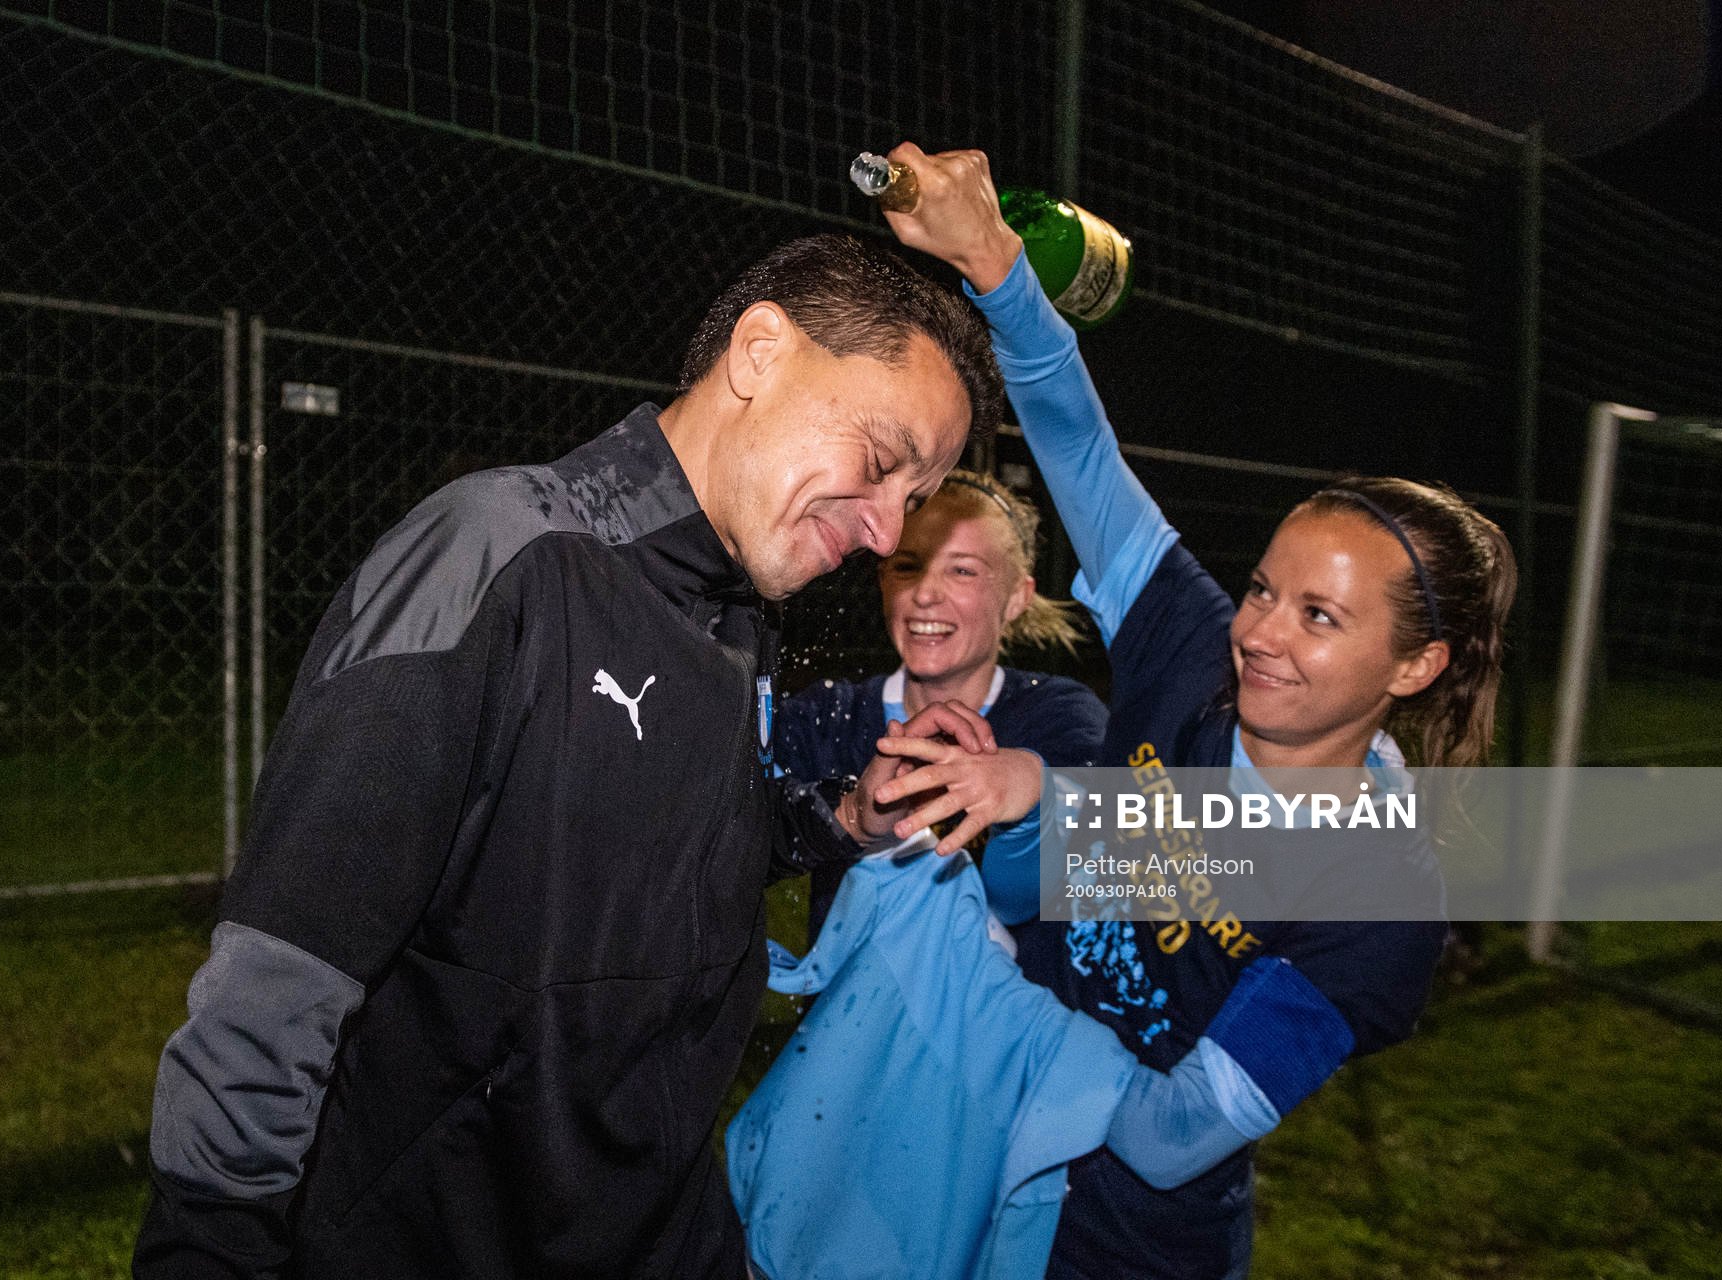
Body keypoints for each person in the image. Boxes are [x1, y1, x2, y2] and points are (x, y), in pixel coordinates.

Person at [132, 233, 1017, 1280]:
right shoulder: (499, 557)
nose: (883, 532)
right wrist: (209, 1247)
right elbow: (283, 973)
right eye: (881, 462)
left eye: (913, 500)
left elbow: (652, 854)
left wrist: (843, 818)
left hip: (661, 1231)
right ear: (761, 350)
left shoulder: (734, 619)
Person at [870, 144, 1517, 1279]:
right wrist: (997, 267)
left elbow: (1171, 1137)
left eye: (1320, 616)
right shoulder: (1190, 651)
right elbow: (1076, 439)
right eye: (1265, 587)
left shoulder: (1380, 902)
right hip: (965, 1159)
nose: (1261, 631)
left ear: (1414, 668)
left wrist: (1001, 970)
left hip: (1124, 1243)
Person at [774, 467, 1107, 939]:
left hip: (1011, 1011)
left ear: (1017, 597)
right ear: (882, 580)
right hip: (855, 1013)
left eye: (963, 570)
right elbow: (723, 820)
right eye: (907, 565)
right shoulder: (827, 718)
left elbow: (1126, 860)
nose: (926, 594)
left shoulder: (1060, 715)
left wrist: (1034, 793)